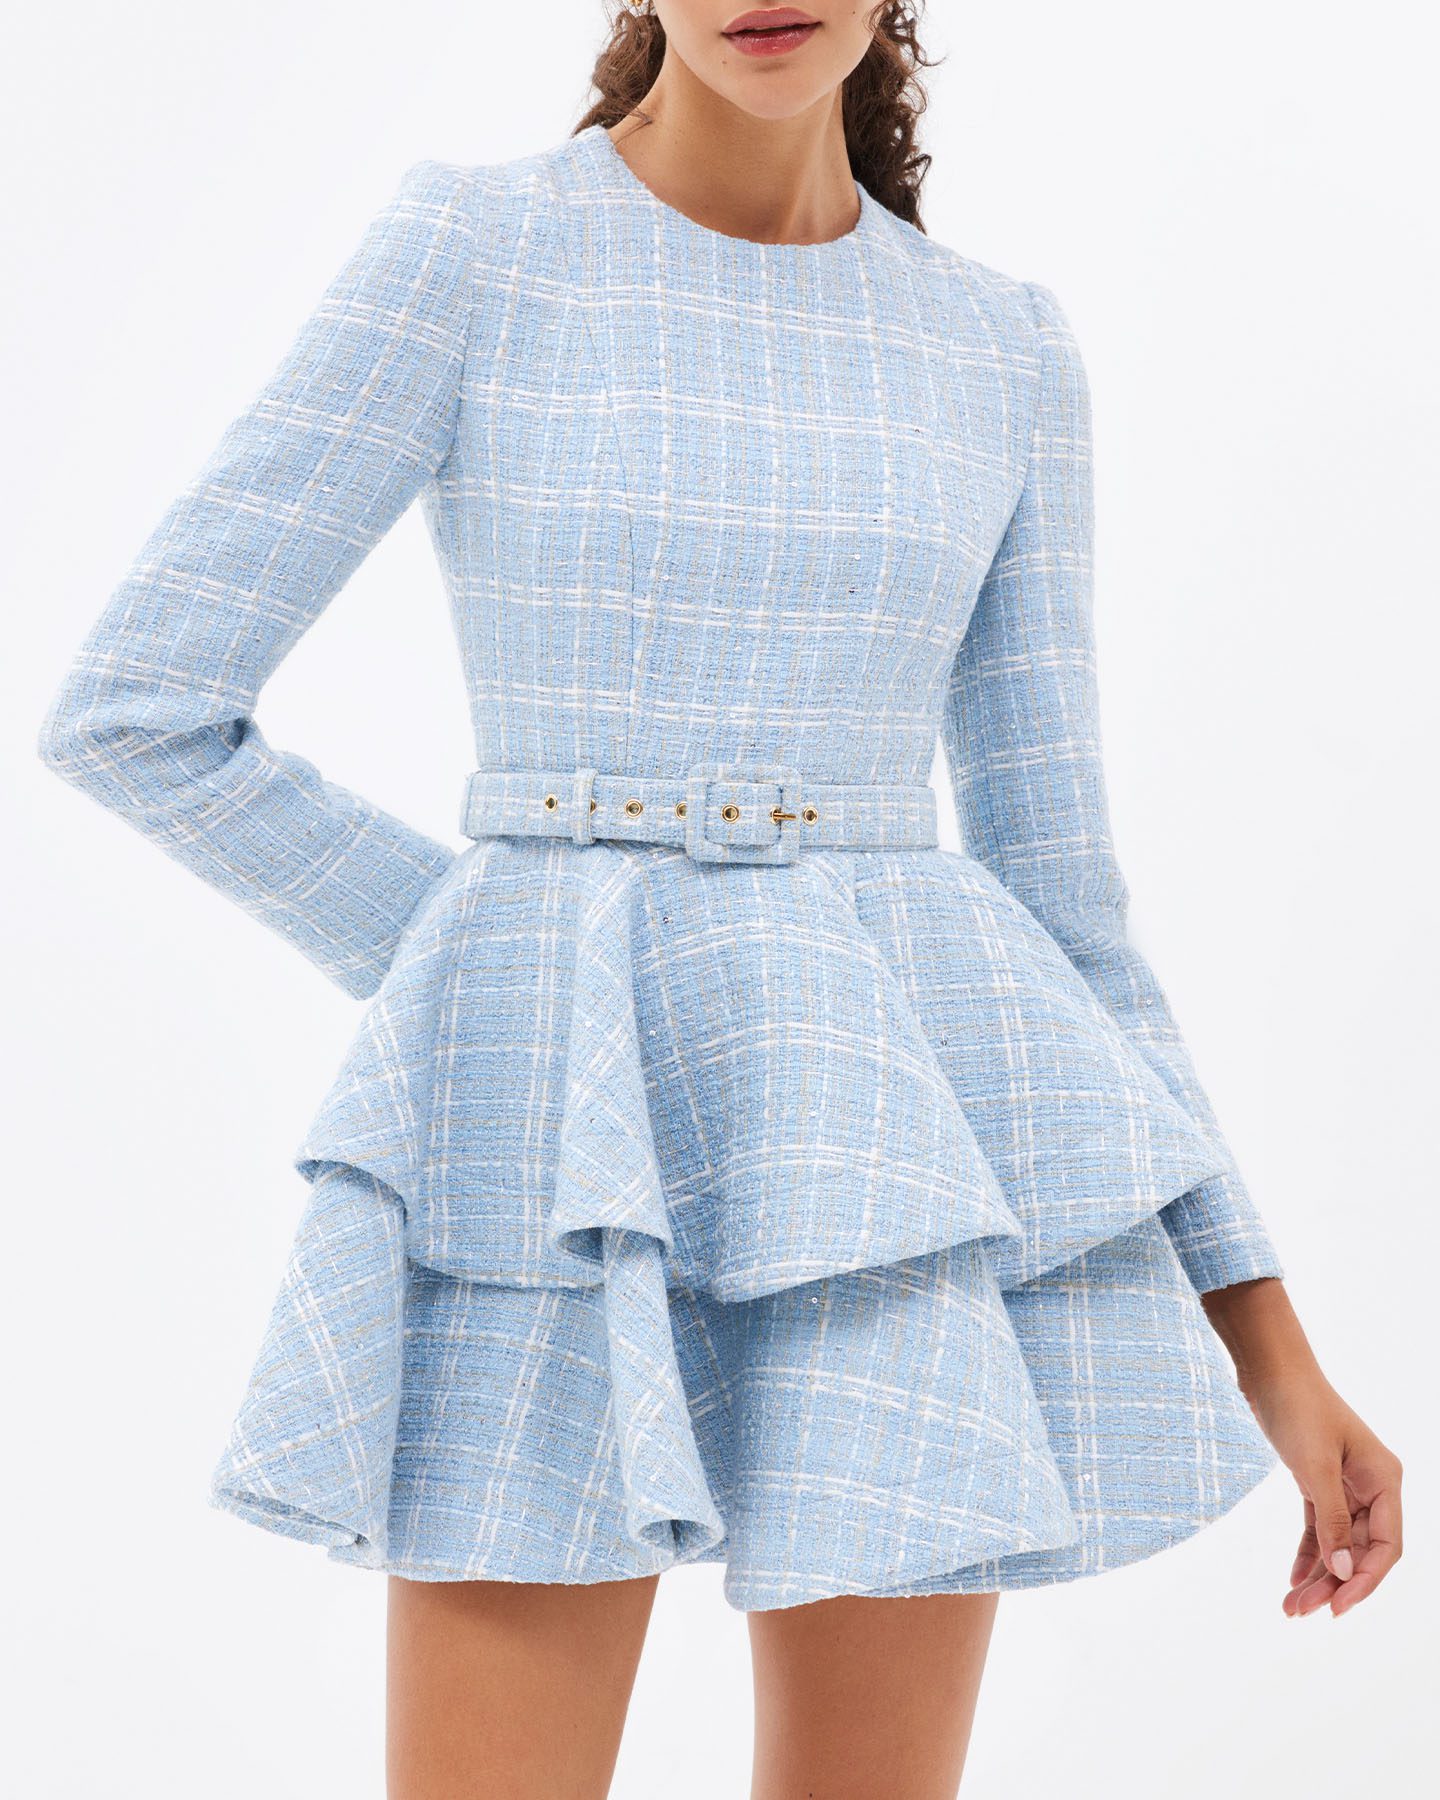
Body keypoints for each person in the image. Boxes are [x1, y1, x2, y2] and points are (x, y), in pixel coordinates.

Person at [35, 4, 1403, 1796]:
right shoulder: (480, 247)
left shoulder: (998, 345)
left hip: (892, 1168)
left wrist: (1269, 1341)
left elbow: (1064, 900)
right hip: (549, 1169)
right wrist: (491, 971)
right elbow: (138, 712)